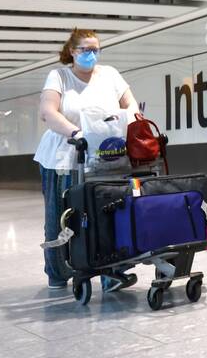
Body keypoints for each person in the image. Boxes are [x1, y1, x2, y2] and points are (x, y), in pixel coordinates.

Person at [33, 28, 140, 291]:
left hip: (106, 154)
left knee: (109, 211)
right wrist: (76, 132)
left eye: (96, 49)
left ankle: (113, 270)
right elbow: (47, 112)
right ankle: (59, 271)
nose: (92, 55)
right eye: (85, 50)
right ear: (72, 51)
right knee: (61, 216)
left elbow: (132, 106)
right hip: (65, 155)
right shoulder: (59, 76)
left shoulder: (110, 74)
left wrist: (128, 123)